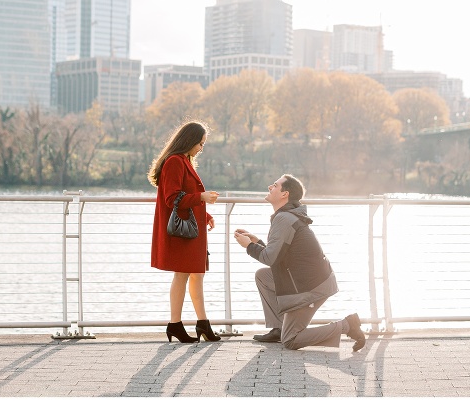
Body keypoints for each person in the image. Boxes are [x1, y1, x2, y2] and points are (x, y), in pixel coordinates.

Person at [233, 174, 366, 352]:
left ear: (284, 194)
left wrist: (248, 246)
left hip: (311, 287)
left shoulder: (285, 219)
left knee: (290, 341)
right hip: (305, 281)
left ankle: (347, 325)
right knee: (263, 276)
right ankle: (279, 328)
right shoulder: (286, 216)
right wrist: (256, 243)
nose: (269, 187)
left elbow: (269, 258)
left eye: (274, 185)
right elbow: (278, 256)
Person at [149, 120, 220, 343]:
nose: (201, 148)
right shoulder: (175, 162)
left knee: (196, 275)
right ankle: (175, 324)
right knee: (182, 275)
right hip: (184, 234)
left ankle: (202, 323)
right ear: (189, 141)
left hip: (192, 232)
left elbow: (183, 196)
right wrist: (201, 197)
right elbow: (173, 198)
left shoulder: (183, 161)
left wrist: (205, 214)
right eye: (200, 143)